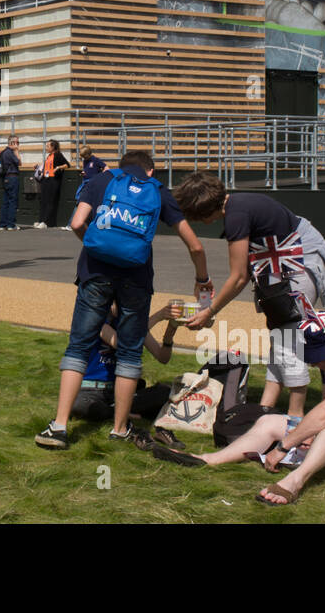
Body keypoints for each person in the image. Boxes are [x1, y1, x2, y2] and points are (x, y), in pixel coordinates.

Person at [36, 149, 210, 451]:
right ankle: (119, 429)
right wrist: (202, 281)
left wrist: (95, 245)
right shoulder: (158, 191)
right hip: (137, 278)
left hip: (94, 274)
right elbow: (195, 245)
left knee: (78, 344)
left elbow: (77, 223)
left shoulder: (101, 180)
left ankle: (59, 428)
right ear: (151, 171)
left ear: (120, 167)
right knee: (130, 353)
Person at [155, 312, 325, 508]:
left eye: (314, 358)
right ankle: (211, 459)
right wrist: (310, 433)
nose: (314, 365)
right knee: (270, 421)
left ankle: (294, 482)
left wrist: (284, 447)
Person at [175, 172, 325, 416]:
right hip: (291, 269)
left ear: (201, 210)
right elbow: (246, 268)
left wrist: (211, 310)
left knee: (288, 342)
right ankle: (265, 408)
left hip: (298, 267)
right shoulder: (239, 205)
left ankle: (295, 415)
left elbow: (238, 277)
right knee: (280, 340)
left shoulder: (236, 215)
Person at [72, 300, 186, 450]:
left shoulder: (134, 326)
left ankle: (121, 411)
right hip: (91, 392)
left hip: (119, 393)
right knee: (80, 405)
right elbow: (124, 343)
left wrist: (171, 330)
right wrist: (158, 316)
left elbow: (163, 357)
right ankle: (122, 412)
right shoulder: (97, 320)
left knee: (164, 392)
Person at [34, 139, 70, 229]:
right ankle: (41, 220)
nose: (46, 147)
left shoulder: (58, 155)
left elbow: (67, 164)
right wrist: (38, 167)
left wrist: (58, 167)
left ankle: (46, 222)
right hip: (46, 180)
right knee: (43, 201)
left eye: (48, 146)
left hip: (54, 180)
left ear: (53, 147)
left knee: (50, 201)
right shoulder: (49, 156)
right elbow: (47, 167)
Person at [0, 136, 22, 230]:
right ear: (12, 143)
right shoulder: (10, 152)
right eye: (17, 143)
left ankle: (2, 224)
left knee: (6, 201)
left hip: (6, 178)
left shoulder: (4, 152)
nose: (18, 144)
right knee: (12, 201)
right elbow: (19, 162)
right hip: (12, 177)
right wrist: (17, 151)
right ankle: (11, 224)